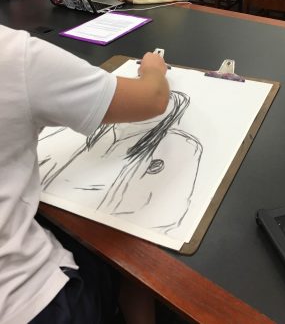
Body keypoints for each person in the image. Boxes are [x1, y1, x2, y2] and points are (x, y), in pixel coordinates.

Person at [0, 22, 169, 324]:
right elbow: (153, 98)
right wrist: (154, 69)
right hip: (32, 302)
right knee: (134, 247)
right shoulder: (14, 56)